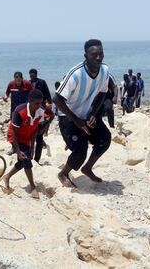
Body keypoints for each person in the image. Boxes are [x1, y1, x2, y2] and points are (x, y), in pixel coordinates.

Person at [53, 39, 111, 188]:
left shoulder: (104, 70)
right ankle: (63, 173)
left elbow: (103, 93)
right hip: (68, 117)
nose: (98, 58)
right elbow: (57, 99)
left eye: (101, 54)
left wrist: (93, 113)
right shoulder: (76, 74)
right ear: (86, 56)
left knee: (105, 139)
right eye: (94, 55)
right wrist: (76, 120)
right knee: (80, 150)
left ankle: (87, 168)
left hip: (86, 114)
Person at [3, 90, 45, 199]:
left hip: (27, 137)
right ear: (30, 101)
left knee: (22, 160)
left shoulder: (40, 111)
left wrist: (32, 146)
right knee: (26, 159)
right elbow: (14, 132)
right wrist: (17, 150)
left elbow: (35, 129)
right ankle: (32, 186)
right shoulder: (19, 111)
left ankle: (7, 176)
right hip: (15, 136)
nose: (39, 106)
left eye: (40, 103)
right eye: (36, 103)